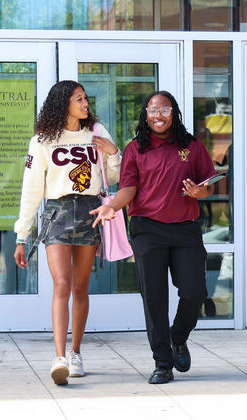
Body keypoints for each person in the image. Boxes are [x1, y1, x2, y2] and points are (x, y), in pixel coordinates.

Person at [90, 91, 216, 385]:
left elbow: (208, 183)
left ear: (174, 113)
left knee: (195, 291)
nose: (158, 116)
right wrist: (110, 207)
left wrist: (201, 192)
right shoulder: (135, 149)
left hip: (185, 228)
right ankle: (162, 363)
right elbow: (129, 189)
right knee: (155, 299)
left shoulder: (191, 146)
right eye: (152, 110)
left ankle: (178, 336)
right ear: (145, 115)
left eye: (165, 110)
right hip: (147, 230)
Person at [13, 80, 121, 385]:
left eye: (86, 99)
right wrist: (22, 235)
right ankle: (59, 357)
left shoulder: (96, 132)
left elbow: (113, 176)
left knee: (80, 287)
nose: (86, 104)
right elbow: (31, 190)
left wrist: (113, 152)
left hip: (89, 213)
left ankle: (75, 352)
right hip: (57, 215)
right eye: (79, 99)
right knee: (61, 283)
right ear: (63, 104)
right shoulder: (43, 140)